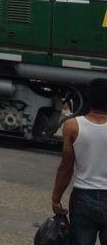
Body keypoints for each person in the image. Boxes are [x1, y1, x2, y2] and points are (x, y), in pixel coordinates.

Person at [51, 78, 107, 245]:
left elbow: (66, 168)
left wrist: (56, 198)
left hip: (83, 197)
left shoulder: (72, 126)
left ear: (88, 97)